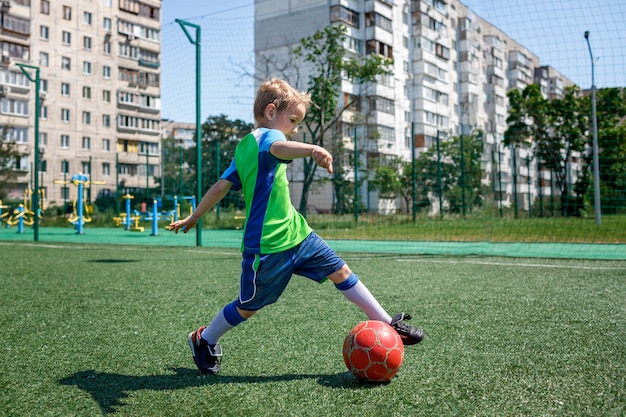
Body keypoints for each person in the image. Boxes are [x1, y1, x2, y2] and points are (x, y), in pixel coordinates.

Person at [168, 78, 423, 375]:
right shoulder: (264, 139)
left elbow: (220, 187)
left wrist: (195, 216)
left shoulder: (245, 148)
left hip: (298, 234)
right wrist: (311, 148)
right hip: (266, 246)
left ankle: (387, 322)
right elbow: (277, 148)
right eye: (292, 120)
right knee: (248, 306)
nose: (294, 128)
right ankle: (205, 338)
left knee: (340, 270)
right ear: (271, 110)